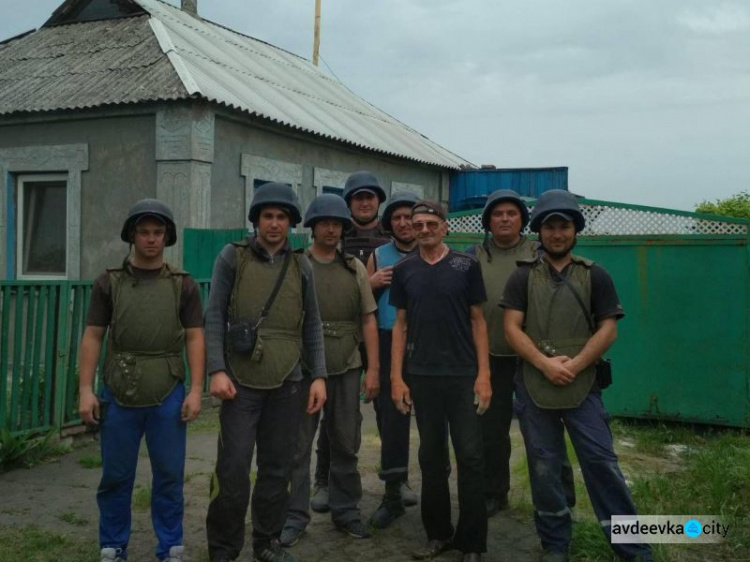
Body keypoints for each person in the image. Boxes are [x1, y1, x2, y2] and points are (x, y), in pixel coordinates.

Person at [501, 190, 652, 562]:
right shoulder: (521, 278)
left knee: (601, 463)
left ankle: (632, 547)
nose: (557, 233)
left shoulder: (594, 274)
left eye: (564, 226)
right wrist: (545, 363)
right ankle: (554, 543)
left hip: (584, 387)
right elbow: (511, 328)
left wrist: (575, 365)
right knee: (544, 466)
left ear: (575, 231)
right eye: (550, 226)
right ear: (539, 231)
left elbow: (608, 329)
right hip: (535, 386)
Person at [204, 183, 327, 562]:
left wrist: (318, 375)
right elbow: (213, 316)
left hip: (289, 380)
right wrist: (217, 370)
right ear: (256, 220)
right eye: (267, 216)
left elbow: (312, 325)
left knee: (277, 467)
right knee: (234, 466)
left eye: (282, 217)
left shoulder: (301, 265)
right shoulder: (232, 257)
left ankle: (267, 542)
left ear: (291, 223)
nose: (274, 224)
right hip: (239, 382)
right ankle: (224, 548)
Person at [78, 199, 205, 562]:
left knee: (169, 474)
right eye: (144, 232)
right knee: (116, 475)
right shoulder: (109, 283)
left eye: (158, 233)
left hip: (168, 389)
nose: (151, 240)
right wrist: (86, 390)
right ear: (132, 236)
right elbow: (93, 336)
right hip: (119, 390)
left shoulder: (183, 285)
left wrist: (196, 390)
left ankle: (170, 546)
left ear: (167, 237)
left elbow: (195, 337)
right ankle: (113, 545)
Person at [390, 200, 491, 562]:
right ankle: (437, 534)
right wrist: (396, 378)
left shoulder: (466, 266)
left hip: (463, 375)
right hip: (422, 375)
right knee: (431, 458)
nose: (424, 230)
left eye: (432, 223)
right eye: (418, 225)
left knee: (471, 456)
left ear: (445, 227)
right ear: (411, 229)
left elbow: (479, 321)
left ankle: (473, 542)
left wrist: (484, 375)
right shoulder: (404, 270)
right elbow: (399, 325)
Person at [466, 190, 576, 517]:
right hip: (489, 359)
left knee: (544, 431)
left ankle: (563, 499)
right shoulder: (472, 256)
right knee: (491, 432)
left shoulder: (539, 253)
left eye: (511, 213)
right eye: (497, 213)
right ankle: (494, 493)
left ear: (522, 220)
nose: (504, 218)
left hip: (532, 358)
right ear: (487, 220)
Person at [281, 193, 380, 547]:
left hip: (347, 364)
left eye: (336, 224)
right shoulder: (295, 265)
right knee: (297, 446)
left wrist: (373, 369)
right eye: (323, 223)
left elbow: (368, 320)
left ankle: (346, 510)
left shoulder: (354, 268)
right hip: (303, 369)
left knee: (346, 442)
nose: (330, 229)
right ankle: (294, 516)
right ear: (311, 227)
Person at [365, 191, 420, 529]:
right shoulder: (378, 254)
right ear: (390, 224)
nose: (404, 223)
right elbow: (365, 306)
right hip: (387, 340)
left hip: (425, 341)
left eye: (409, 217)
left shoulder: (433, 253)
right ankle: (393, 493)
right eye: (397, 218)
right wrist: (371, 284)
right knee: (392, 417)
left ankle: (437, 491)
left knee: (432, 418)